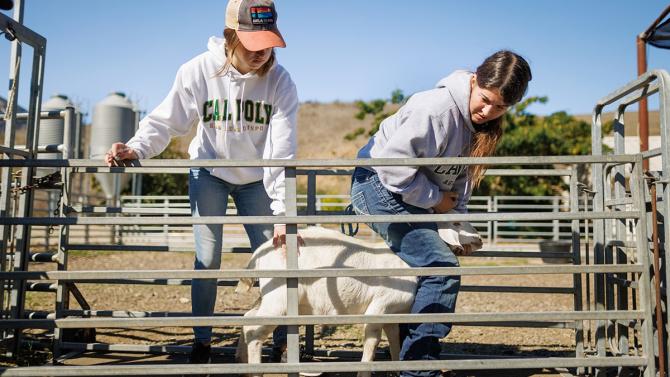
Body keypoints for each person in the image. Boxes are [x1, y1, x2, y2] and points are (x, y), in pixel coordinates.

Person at [105, 0, 299, 364]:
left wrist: (284, 215)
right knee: (207, 259)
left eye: (268, 43)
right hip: (208, 172)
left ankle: (281, 342)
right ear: (231, 36)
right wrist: (135, 149)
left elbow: (282, 150)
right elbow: (167, 121)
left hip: (258, 177)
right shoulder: (197, 70)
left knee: (276, 256)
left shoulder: (280, 81)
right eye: (253, 43)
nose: (262, 53)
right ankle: (202, 341)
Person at [350, 50, 532, 377]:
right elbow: (393, 170)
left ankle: (408, 360)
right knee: (441, 267)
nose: (489, 111)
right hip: (377, 181)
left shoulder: (477, 126)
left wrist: (456, 224)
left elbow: (458, 180)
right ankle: (419, 370)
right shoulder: (435, 110)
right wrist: (436, 202)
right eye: (485, 99)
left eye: (501, 107)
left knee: (432, 263)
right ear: (474, 81)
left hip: (410, 191)